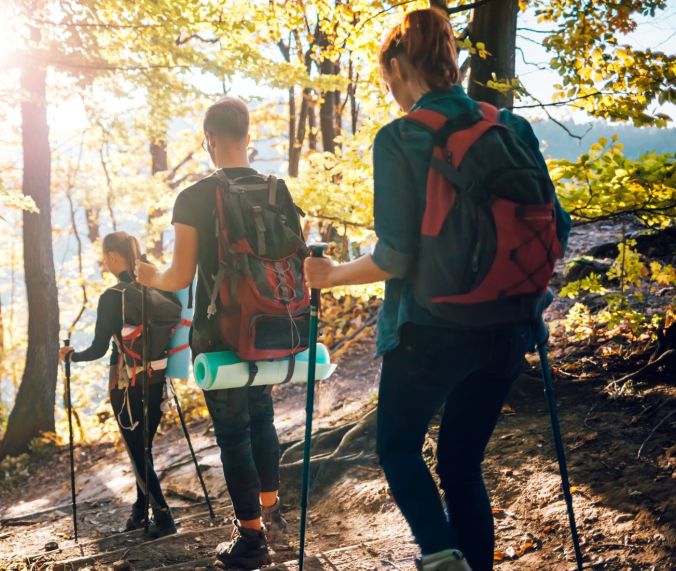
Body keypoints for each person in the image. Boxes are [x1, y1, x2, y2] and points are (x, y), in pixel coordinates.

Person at [304, 9, 571, 571]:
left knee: (398, 447)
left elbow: (396, 255)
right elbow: (559, 227)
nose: (392, 95)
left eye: (388, 82)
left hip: (430, 332)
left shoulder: (401, 137)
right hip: (511, 326)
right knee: (461, 463)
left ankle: (442, 558)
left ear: (399, 68)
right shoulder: (511, 127)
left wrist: (331, 276)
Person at [136, 97, 292, 569]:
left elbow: (180, 276)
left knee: (232, 432)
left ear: (209, 140)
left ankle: (250, 539)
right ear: (247, 137)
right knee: (262, 415)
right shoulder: (275, 189)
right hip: (271, 322)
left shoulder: (194, 196)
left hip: (219, 330)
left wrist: (149, 277)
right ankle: (271, 512)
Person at [59, 231, 177, 539]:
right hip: (157, 379)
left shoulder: (112, 298)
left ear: (113, 256)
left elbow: (99, 349)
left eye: (105, 257)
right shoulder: (161, 287)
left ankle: (163, 517)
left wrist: (74, 356)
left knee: (138, 452)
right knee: (145, 448)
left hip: (125, 384)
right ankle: (140, 511)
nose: (105, 262)